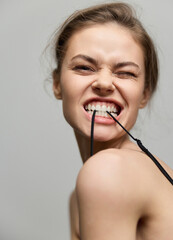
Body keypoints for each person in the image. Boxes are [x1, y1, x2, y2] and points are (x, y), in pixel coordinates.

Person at [50, 2, 173, 239]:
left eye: (125, 72)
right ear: (57, 84)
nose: (104, 83)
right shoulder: (77, 198)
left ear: (144, 95)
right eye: (85, 67)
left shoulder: (106, 172)